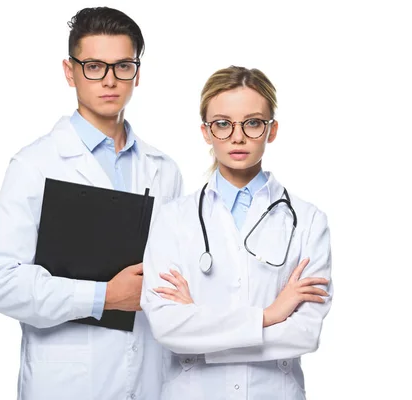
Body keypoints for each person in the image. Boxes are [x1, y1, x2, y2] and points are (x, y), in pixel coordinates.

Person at [0, 7, 182, 400]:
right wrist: (103, 297)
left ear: (137, 73)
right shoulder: (36, 165)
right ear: (70, 72)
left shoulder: (164, 170)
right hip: (66, 383)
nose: (109, 80)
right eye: (93, 66)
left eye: (122, 66)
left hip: (150, 379)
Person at [141, 66, 332, 399]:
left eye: (253, 122)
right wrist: (271, 315)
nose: (238, 136)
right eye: (223, 124)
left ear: (271, 130)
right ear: (205, 132)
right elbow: (167, 327)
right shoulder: (172, 219)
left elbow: (304, 333)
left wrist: (201, 330)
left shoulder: (308, 220)